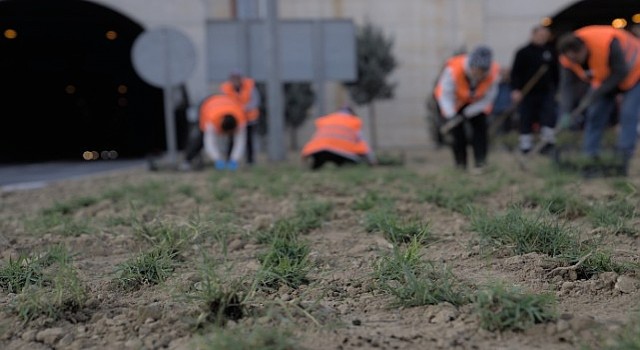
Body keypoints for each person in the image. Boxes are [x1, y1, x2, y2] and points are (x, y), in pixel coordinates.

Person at [556, 25, 640, 176]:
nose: (575, 62)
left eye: (577, 58)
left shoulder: (608, 43)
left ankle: (624, 157)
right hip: (605, 79)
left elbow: (620, 72)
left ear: (583, 48)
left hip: (634, 73)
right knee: (595, 114)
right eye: (571, 59)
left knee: (628, 114)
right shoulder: (567, 58)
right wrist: (565, 112)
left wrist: (595, 94)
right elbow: (566, 87)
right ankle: (590, 155)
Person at [434, 45, 501, 172]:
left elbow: (488, 98)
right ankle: (460, 165)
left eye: (482, 71)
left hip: (477, 104)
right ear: (471, 65)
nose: (478, 73)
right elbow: (444, 95)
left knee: (480, 131)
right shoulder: (454, 69)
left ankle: (480, 163)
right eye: (476, 69)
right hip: (454, 102)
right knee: (458, 134)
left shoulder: (493, 72)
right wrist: (451, 115)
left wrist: (469, 112)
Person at [510, 25, 559, 154]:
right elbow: (515, 73)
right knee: (526, 118)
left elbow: (556, 74)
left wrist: (557, 90)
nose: (542, 38)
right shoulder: (522, 52)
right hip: (527, 92)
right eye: (540, 35)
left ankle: (547, 144)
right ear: (533, 35)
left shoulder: (550, 52)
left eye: (545, 36)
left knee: (548, 117)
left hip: (546, 92)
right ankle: (525, 145)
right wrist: (516, 90)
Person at [180, 94, 247, 171]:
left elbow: (240, 142)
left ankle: (230, 160)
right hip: (207, 105)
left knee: (233, 141)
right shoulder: (211, 121)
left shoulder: (241, 121)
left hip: (227, 103)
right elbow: (209, 143)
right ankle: (187, 160)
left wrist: (235, 159)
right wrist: (217, 159)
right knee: (200, 139)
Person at [301, 106, 376, 170]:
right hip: (341, 152)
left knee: (320, 159)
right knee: (353, 161)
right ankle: (344, 166)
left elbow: (315, 139)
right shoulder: (353, 121)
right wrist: (372, 161)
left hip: (318, 151)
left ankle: (315, 167)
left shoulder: (326, 119)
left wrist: (305, 155)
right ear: (352, 113)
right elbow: (363, 144)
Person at [220, 69, 261, 165]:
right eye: (233, 78)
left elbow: (255, 101)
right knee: (231, 140)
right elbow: (224, 102)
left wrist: (244, 108)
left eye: (237, 78)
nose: (235, 81)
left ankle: (250, 161)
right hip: (235, 119)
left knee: (249, 141)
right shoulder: (226, 89)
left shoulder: (250, 86)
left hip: (249, 119)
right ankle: (229, 160)